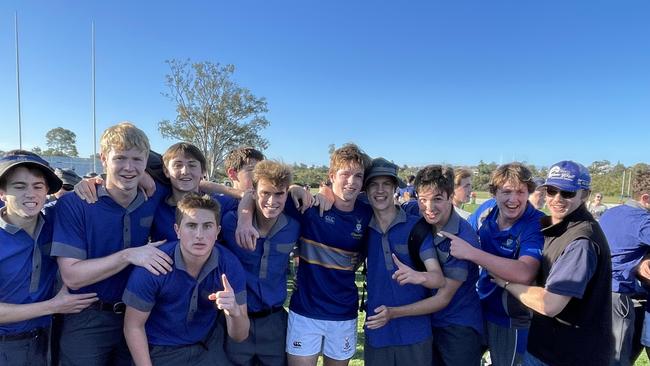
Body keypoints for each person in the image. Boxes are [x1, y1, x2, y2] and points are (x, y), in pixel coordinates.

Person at [237, 143, 372, 366]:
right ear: (331, 176)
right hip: (305, 313)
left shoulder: (367, 213)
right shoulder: (307, 206)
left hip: (344, 313)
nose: (352, 181)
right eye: (345, 174)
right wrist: (244, 219)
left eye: (358, 176)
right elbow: (258, 194)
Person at [51, 122, 169, 366]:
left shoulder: (153, 195)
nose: (129, 167)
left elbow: (194, 183)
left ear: (146, 161)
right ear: (103, 159)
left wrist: (244, 205)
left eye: (137, 159)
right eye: (120, 158)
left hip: (137, 317)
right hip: (86, 318)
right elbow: (72, 276)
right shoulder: (76, 203)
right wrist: (127, 256)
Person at [492, 160, 612, 366]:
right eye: (551, 191)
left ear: (584, 195)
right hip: (546, 345)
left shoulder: (581, 241)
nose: (557, 199)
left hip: (569, 355)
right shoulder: (559, 226)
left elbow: (550, 304)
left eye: (567, 193)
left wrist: (505, 283)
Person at [123, 193, 249, 366]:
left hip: (205, 348)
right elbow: (133, 327)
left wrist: (234, 312)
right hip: (160, 350)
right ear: (177, 230)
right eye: (191, 225)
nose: (199, 235)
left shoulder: (229, 265)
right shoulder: (154, 266)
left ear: (218, 231)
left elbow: (240, 335)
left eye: (207, 226)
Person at [0, 150, 97, 366]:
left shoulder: (54, 221)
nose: (30, 194)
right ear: (2, 193)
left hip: (47, 340)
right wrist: (53, 306)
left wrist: (91, 184)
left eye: (38, 186)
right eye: (19, 186)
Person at [455, 163, 544, 366]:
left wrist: (474, 254)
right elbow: (464, 237)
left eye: (521, 192)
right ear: (494, 193)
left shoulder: (535, 223)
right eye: (506, 192)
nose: (513, 199)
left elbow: (525, 272)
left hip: (511, 317)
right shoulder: (487, 211)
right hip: (477, 306)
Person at [394, 165, 483, 365]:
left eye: (437, 199)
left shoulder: (462, 237)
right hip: (428, 322)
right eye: (423, 199)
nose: (429, 207)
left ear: (451, 196)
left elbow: (443, 298)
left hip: (458, 326)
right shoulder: (415, 209)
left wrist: (394, 312)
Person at [362, 158, 445, 366]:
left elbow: (437, 279)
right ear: (366, 189)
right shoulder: (362, 227)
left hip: (415, 333)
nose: (380, 190)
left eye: (386, 184)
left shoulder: (415, 227)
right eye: (373, 184)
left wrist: (419, 276)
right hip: (377, 330)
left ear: (395, 188)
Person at [221, 160, 300, 365]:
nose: (272, 201)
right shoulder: (229, 222)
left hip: (274, 322)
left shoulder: (294, 226)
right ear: (253, 192)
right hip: (236, 319)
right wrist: (244, 218)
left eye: (279, 194)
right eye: (265, 193)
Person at [600, 169, 650, 366]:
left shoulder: (611, 213)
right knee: (617, 357)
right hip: (618, 294)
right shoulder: (642, 221)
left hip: (601, 292)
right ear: (646, 198)